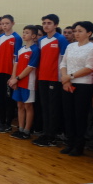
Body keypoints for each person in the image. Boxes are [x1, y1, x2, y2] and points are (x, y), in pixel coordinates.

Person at [59, 21, 93, 156]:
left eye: (80, 31)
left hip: (83, 85)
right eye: (75, 31)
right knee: (68, 115)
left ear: (89, 33)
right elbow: (63, 63)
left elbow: (89, 68)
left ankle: (79, 146)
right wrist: (65, 79)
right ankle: (70, 143)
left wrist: (69, 77)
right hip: (67, 84)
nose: (76, 33)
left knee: (80, 116)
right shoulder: (70, 46)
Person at [33, 14, 68, 147]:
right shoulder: (41, 40)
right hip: (42, 77)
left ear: (56, 25)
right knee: (45, 107)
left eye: (49, 23)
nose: (46, 25)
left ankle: (52, 136)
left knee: (53, 108)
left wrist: (63, 77)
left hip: (55, 78)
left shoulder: (61, 39)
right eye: (44, 23)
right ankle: (45, 133)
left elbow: (64, 59)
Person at [0, 15, 22, 133]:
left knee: (8, 99)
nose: (4, 26)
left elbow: (16, 59)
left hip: (9, 72)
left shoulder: (16, 38)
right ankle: (1, 121)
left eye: (7, 23)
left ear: (13, 23)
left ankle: (8, 123)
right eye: (2, 23)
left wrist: (13, 76)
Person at [8, 25, 40, 139]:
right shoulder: (21, 49)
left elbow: (30, 67)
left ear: (33, 36)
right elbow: (15, 64)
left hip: (28, 83)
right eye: (24, 32)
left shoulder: (35, 50)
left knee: (28, 106)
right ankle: (20, 129)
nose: (24, 34)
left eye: (27, 32)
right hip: (18, 82)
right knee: (20, 105)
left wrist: (17, 78)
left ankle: (27, 131)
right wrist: (13, 79)